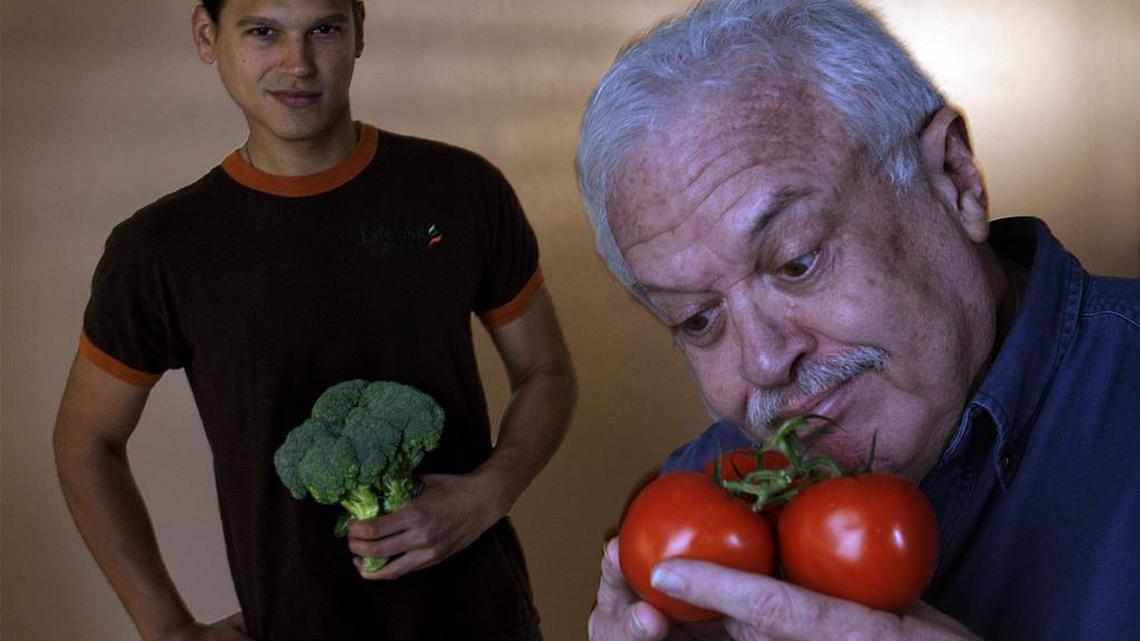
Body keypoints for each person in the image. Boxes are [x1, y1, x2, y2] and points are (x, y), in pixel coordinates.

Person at [575, 0, 1140, 639]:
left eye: (797, 261)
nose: (762, 362)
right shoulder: (693, 514)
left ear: (955, 180)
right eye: (698, 319)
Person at [52, 0, 577, 639]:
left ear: (359, 30)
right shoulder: (161, 249)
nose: (297, 64)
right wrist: (167, 628)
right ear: (206, 35)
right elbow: (86, 443)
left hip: (485, 620)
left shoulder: (460, 190)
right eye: (263, 32)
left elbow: (545, 368)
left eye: (323, 29)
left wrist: (488, 493)